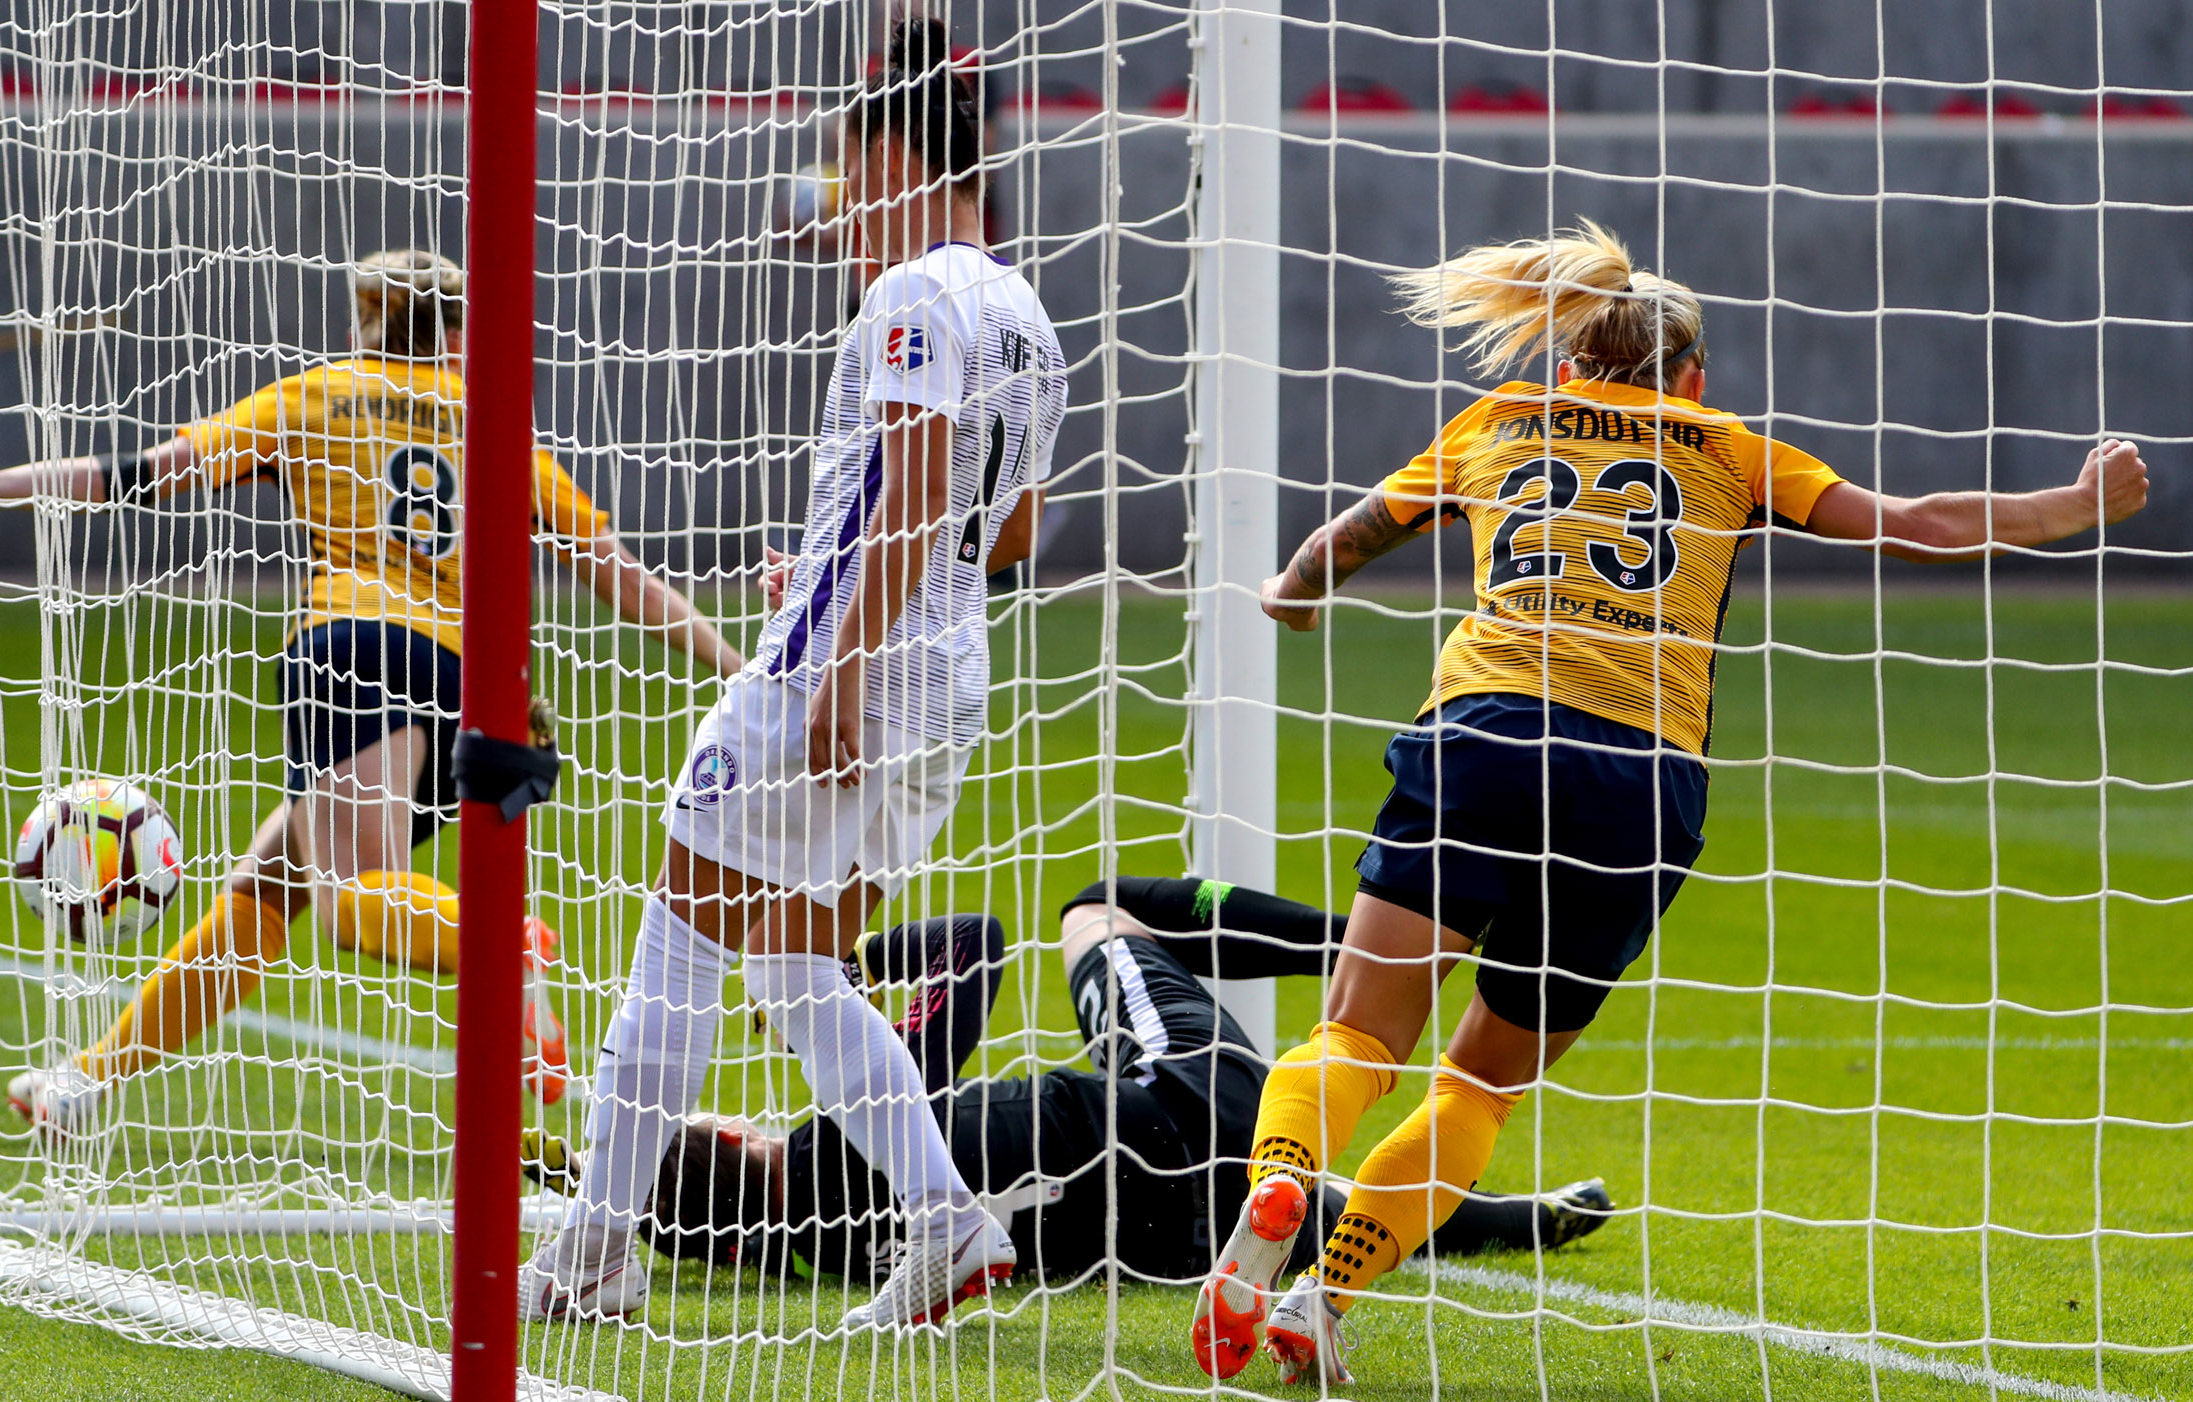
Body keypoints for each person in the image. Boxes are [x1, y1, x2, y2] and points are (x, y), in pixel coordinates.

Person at [1191, 221, 2151, 1386]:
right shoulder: (1731, 450)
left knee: (1355, 1032)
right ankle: (1325, 1299)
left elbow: (1344, 541)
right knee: (1482, 1081)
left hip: (1484, 738)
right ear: (1691, 377)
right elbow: (1915, 526)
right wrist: (2079, 503)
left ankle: (1285, 1174)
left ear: (1567, 360)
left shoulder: (1494, 425)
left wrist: (1290, 594)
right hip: (1642, 784)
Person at [0, 250, 739, 1133]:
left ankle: (502, 944)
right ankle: (89, 1082)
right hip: (467, 685)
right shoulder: (492, 425)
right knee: (275, 879)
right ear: (456, 335)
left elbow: (137, 472)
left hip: (351, 651)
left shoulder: (316, 395)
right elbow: (616, 571)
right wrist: (736, 667)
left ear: (361, 324)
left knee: (349, 899)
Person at [521, 19, 1067, 1333]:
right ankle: (947, 1222)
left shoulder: (912, 294)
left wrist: (839, 655)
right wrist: (839, 576)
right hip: (947, 688)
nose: (836, 191)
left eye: (845, 159)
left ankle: (595, 1245)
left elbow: (919, 489)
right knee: (795, 967)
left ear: (891, 152)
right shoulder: (1032, 317)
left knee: (679, 924)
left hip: (840, 675)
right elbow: (1009, 535)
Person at [521, 876, 1612, 1287]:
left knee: (1274, 1202)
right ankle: (1386, 951)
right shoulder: (847, 1135)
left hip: (1177, 1238)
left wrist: (565, 1164)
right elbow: (974, 944)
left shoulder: (826, 1253)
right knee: (1096, 908)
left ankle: (1505, 1217)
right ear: (728, 1144)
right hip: (1182, 1096)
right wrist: (839, 977)